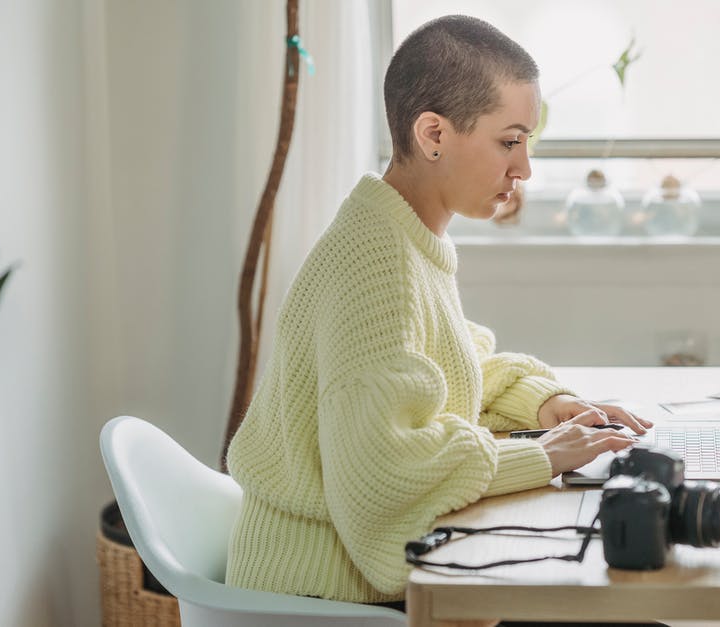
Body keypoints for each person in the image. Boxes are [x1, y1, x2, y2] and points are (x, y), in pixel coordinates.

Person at [224, 14, 651, 607]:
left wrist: (544, 404)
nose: (524, 168)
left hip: (345, 579)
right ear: (433, 135)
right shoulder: (373, 263)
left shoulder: (401, 233)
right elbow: (381, 472)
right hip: (319, 596)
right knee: (612, 602)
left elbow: (449, 374)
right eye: (510, 141)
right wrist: (540, 455)